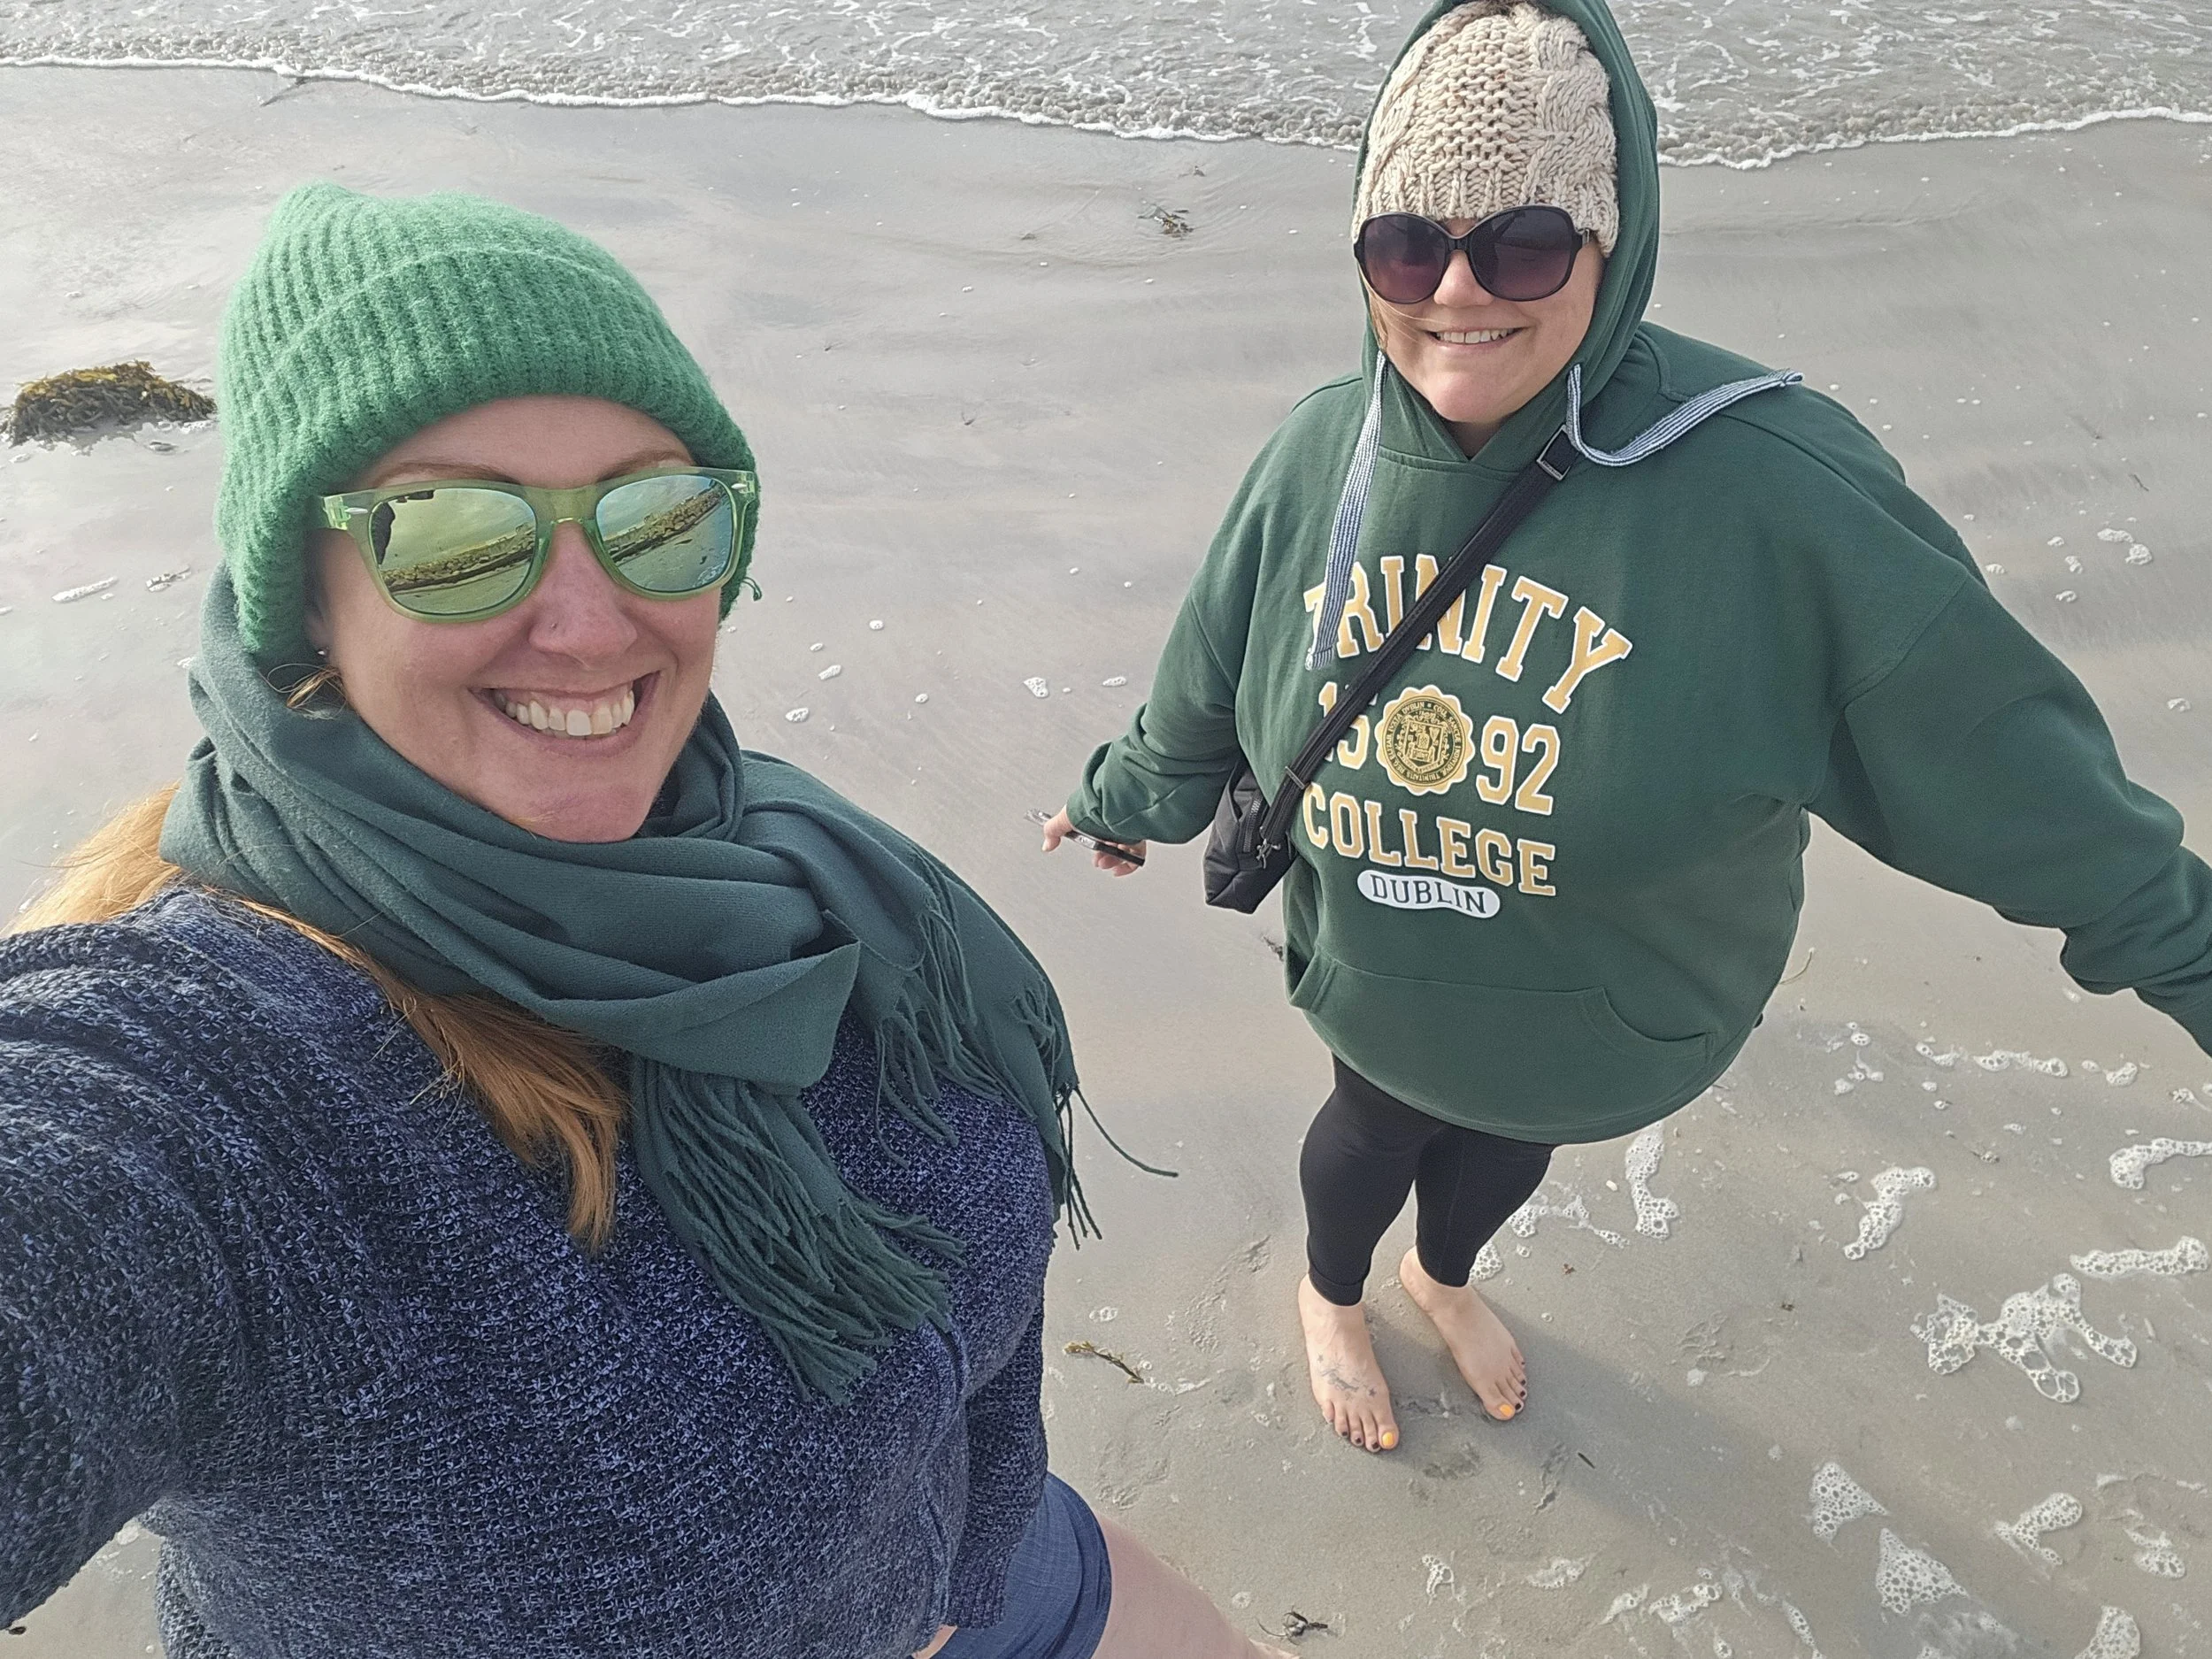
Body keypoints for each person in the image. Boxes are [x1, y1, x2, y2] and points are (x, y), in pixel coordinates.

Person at [0, 185, 1288, 1659]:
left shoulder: (795, 869)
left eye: (655, 517)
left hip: (985, 1575)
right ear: (309, 594)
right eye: (455, 535)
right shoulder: (220, 1086)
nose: (595, 621)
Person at [1044, 0, 2212, 1455]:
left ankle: (1439, 1274)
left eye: (1524, 241)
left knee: (1499, 1157)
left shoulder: (1777, 495)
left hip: (1599, 1025)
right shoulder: (1312, 460)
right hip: (1387, 988)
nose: (1457, 290)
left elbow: (2024, 785)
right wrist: (1117, 801)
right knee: (1367, 1142)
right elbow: (1205, 686)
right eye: (1408, 242)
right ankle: (1333, 1293)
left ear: (1616, 239)